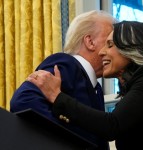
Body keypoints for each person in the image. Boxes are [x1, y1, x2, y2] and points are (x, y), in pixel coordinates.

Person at [27, 21, 143, 150]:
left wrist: (56, 97)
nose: (101, 52)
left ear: (131, 48)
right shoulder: (139, 88)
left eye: (110, 45)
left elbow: (111, 125)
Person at [10, 10, 117, 150]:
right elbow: (24, 101)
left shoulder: (96, 88)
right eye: (109, 42)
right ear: (90, 42)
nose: (116, 49)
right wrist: (76, 140)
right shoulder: (66, 63)